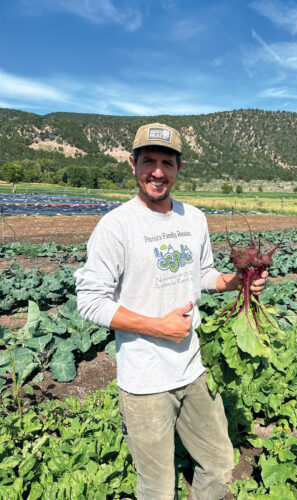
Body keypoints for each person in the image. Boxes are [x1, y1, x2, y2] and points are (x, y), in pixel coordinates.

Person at [74, 122, 267, 500]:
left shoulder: (193, 218)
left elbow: (202, 274)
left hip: (193, 369)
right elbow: (90, 301)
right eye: (149, 161)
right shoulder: (116, 227)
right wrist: (158, 327)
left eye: (167, 162)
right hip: (145, 381)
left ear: (179, 169)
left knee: (220, 462)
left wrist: (236, 281)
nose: (158, 171)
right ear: (133, 164)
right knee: (158, 488)